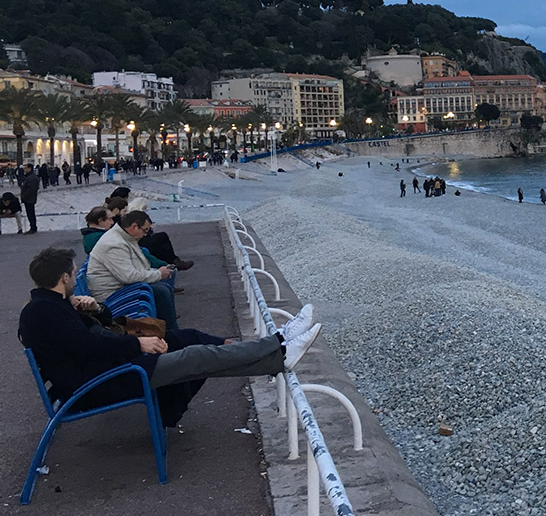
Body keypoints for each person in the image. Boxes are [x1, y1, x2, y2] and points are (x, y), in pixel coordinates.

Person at [18, 246, 322, 427]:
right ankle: (278, 346)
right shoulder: (45, 312)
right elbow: (89, 345)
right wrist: (138, 343)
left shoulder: (50, 305)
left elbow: (94, 336)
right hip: (98, 383)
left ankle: (277, 353)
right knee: (196, 356)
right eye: (72, 274)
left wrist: (94, 308)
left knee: (186, 343)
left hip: (103, 371)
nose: (74, 278)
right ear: (64, 278)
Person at [87, 211, 179, 329]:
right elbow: (129, 277)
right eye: (145, 230)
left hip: (118, 287)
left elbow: (137, 268)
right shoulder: (114, 244)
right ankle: (170, 332)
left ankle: (169, 330)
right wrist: (158, 274)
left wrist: (157, 272)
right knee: (161, 291)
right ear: (134, 227)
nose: (146, 234)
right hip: (111, 295)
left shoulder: (123, 238)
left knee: (163, 288)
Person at [17, 163, 39, 234]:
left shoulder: (32, 178)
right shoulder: (29, 177)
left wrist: (24, 196)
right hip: (29, 198)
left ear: (30, 169)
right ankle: (33, 227)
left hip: (29, 199)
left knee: (30, 213)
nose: (24, 170)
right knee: (30, 213)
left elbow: (31, 189)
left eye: (26, 168)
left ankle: (33, 227)